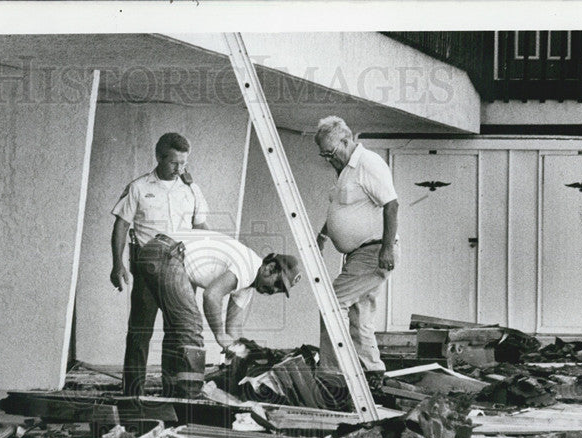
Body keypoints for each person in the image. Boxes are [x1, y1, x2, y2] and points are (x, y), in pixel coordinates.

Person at [133, 229, 302, 398]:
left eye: (279, 291)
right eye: (278, 284)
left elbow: (234, 331)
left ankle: (164, 396)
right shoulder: (249, 267)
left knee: (175, 330)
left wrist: (245, 354)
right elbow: (212, 296)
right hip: (166, 253)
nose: (273, 291)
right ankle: (189, 396)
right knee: (191, 324)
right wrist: (220, 335)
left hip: (156, 251)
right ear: (270, 268)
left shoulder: (248, 287)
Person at [111, 132, 209, 396]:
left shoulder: (191, 189)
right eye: (174, 162)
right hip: (148, 269)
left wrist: (206, 261)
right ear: (159, 157)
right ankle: (132, 394)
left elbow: (201, 227)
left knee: (177, 332)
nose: (179, 169)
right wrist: (117, 264)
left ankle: (170, 393)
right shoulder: (139, 187)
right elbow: (121, 225)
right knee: (139, 332)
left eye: (184, 163)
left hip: (182, 269)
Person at [313, 116, 399, 383]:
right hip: (358, 254)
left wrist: (386, 249)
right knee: (359, 313)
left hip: (373, 252)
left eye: (332, 152)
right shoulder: (345, 170)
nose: (329, 159)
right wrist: (324, 234)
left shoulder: (367, 163)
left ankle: (331, 373)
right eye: (324, 155)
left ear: (346, 141)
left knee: (332, 302)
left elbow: (392, 205)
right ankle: (372, 372)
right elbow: (346, 207)